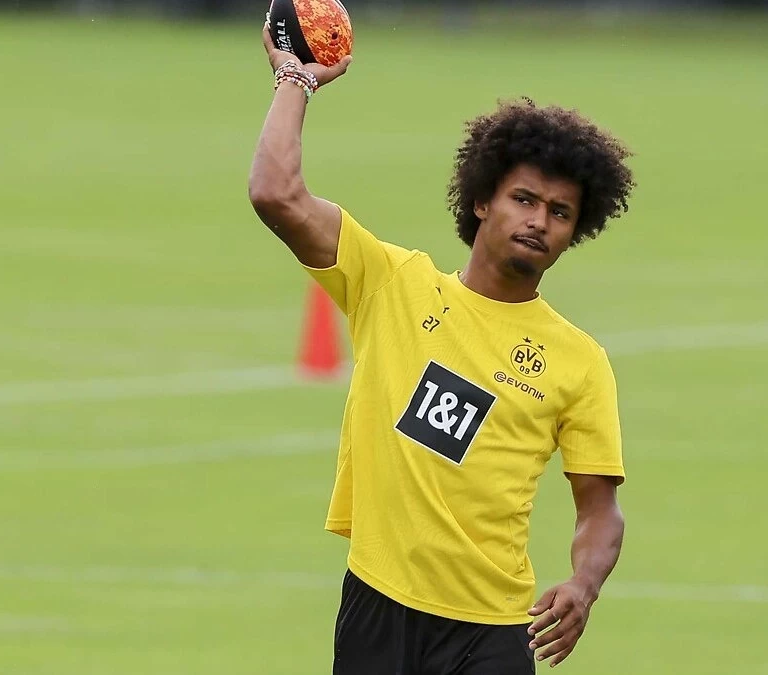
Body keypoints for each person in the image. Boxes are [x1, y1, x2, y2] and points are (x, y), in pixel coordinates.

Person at [248, 23, 635, 675]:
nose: (539, 221)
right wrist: (295, 80)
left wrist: (583, 583)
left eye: (560, 212)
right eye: (524, 199)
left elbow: (600, 511)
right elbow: (275, 193)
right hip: (377, 608)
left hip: (492, 633)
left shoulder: (580, 361)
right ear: (482, 200)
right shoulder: (391, 283)